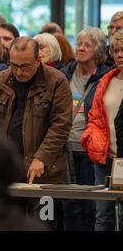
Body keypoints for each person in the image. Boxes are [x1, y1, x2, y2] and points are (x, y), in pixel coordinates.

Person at [0, 37, 72, 185]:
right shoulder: (1, 79)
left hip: (44, 168)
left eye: (25, 66)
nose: (18, 72)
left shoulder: (56, 81)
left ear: (38, 61)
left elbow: (61, 126)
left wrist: (42, 157)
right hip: (7, 167)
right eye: (14, 65)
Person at [61, 27, 110, 231]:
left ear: (98, 51)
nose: (80, 48)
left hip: (90, 149)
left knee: (91, 204)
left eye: (86, 45)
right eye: (79, 43)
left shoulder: (105, 77)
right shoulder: (64, 74)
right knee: (69, 204)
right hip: (65, 148)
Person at [82, 30, 123, 231]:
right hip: (105, 156)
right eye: (117, 51)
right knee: (103, 213)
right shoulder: (106, 80)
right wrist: (92, 137)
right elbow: (94, 115)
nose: (120, 55)